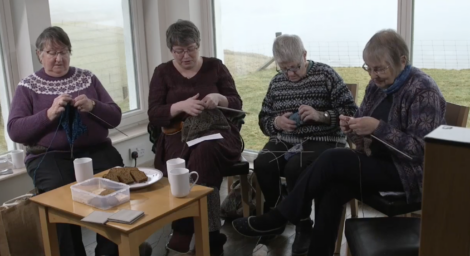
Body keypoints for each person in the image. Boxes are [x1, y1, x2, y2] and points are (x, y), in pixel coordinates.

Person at [233, 29, 446, 256]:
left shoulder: (423, 91)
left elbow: (422, 151)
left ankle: (277, 217)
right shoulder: (376, 87)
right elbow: (359, 133)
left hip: (408, 174)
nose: (373, 76)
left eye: (379, 68)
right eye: (369, 68)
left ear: (402, 61)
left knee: (333, 157)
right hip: (377, 164)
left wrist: (376, 127)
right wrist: (351, 128)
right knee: (331, 189)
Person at [7, 26, 129, 256]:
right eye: (51, 52)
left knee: (115, 189)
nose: (58, 58)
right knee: (59, 196)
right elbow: (15, 130)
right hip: (48, 156)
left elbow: (114, 117)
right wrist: (49, 114)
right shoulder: (28, 86)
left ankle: (112, 251)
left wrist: (94, 105)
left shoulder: (87, 77)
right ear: (39, 55)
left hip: (96, 150)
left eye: (64, 51)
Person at [253, 34, 357, 254]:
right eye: (284, 69)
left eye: (295, 67)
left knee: (295, 167)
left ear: (305, 55)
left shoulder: (326, 74)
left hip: (324, 140)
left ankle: (303, 226)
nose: (290, 74)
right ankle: (277, 214)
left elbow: (351, 113)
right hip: (287, 139)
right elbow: (263, 120)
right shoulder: (277, 82)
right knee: (263, 163)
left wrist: (321, 116)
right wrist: (276, 122)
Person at [147, 20, 243, 256]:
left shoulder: (216, 67)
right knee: (198, 155)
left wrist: (218, 98)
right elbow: (154, 114)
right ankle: (211, 237)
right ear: (171, 50)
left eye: (190, 48)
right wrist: (180, 106)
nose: (185, 56)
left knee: (204, 150)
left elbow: (237, 104)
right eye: (179, 51)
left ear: (199, 45)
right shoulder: (162, 72)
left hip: (217, 134)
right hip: (177, 137)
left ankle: (184, 229)